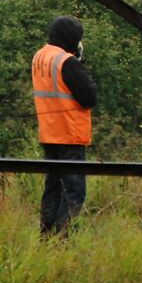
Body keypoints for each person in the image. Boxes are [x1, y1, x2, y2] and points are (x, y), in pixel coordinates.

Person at [31, 15, 97, 236]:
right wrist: (81, 65)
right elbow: (89, 97)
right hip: (70, 134)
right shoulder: (66, 61)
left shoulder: (40, 56)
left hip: (49, 133)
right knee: (74, 192)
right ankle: (62, 239)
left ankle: (46, 236)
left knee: (53, 189)